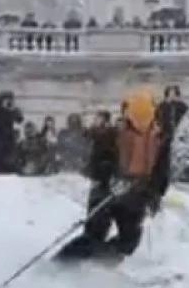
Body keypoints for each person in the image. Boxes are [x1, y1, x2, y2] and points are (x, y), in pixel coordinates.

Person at [57, 87, 164, 261]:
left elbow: (160, 171)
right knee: (94, 234)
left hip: (136, 195)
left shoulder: (159, 139)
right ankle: (63, 264)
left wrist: (155, 194)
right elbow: (95, 163)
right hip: (106, 191)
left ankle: (101, 265)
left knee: (129, 240)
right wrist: (109, 177)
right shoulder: (112, 135)